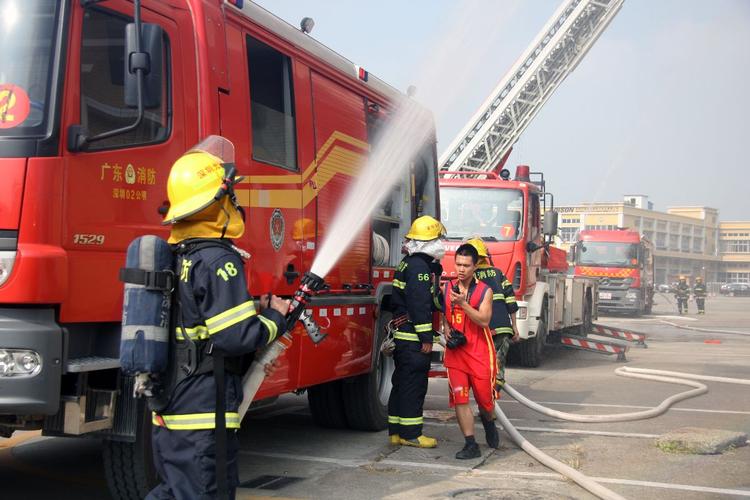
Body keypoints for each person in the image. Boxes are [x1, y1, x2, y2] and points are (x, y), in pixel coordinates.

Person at [147, 136, 289, 500]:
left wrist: (253, 310)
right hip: (203, 412)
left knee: (174, 492)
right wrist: (275, 317)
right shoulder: (218, 260)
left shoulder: (179, 255)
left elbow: (199, 322)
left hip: (173, 405)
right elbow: (236, 337)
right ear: (218, 201)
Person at [388, 215, 445, 448]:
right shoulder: (420, 268)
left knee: (401, 383)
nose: (441, 244)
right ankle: (412, 434)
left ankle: (396, 431)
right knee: (414, 385)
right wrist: (426, 337)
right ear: (429, 242)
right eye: (438, 239)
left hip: (403, 336)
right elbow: (420, 305)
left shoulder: (408, 263)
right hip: (413, 338)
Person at [443, 243, 499, 459]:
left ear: (475, 266)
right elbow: (446, 315)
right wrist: (447, 329)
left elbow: (484, 320)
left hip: (479, 354)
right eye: (458, 264)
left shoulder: (485, 291)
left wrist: (464, 304)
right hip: (456, 354)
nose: (461, 269)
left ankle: (489, 422)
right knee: (460, 399)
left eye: (466, 265)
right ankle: (470, 444)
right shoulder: (447, 288)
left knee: (485, 401)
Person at [465, 238, 519, 390]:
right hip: (502, 328)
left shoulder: (469, 276)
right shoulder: (497, 273)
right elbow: (510, 300)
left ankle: (486, 405)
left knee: (480, 367)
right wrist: (514, 326)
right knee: (497, 370)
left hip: (480, 328)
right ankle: (491, 404)